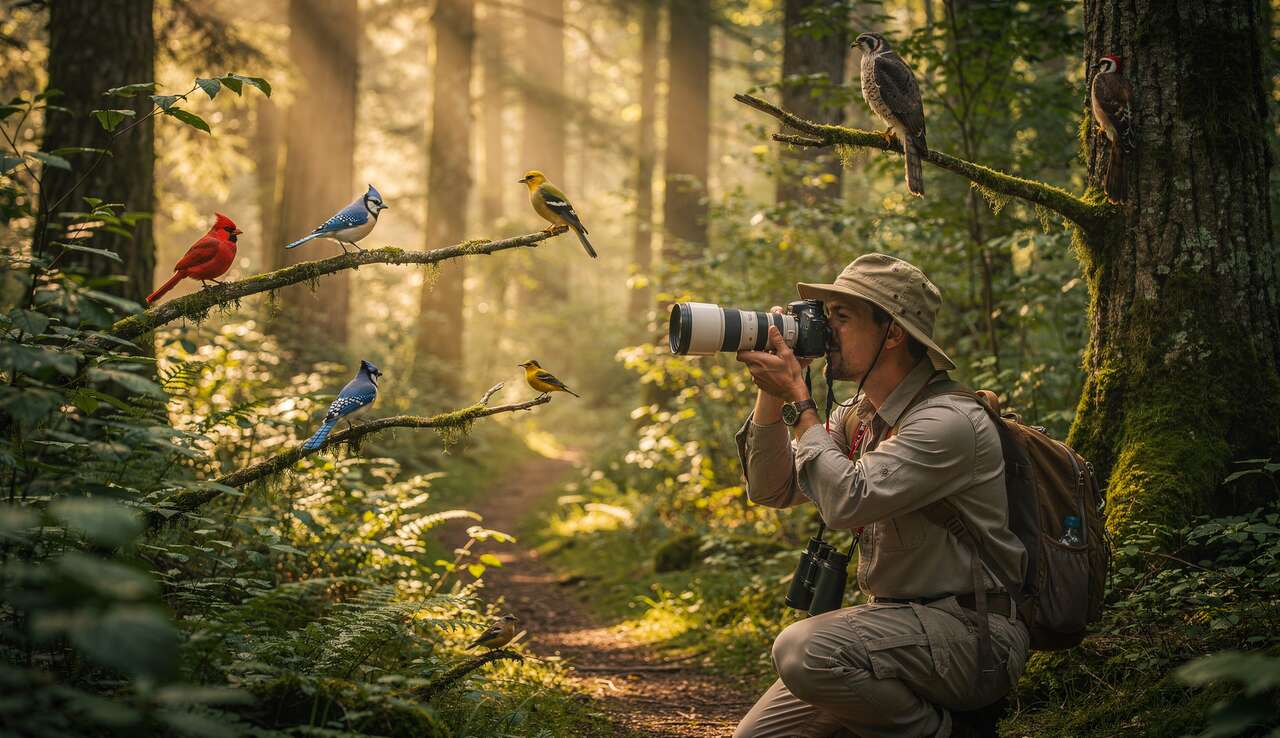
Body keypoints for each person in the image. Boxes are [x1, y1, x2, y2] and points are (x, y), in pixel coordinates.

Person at [732, 253, 1029, 738]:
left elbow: (847, 501)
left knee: (802, 650)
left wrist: (801, 404)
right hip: (893, 630)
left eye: (842, 317)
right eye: (824, 315)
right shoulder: (858, 415)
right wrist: (773, 392)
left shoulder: (948, 422)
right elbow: (771, 488)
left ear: (892, 333)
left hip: (973, 637)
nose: (825, 330)